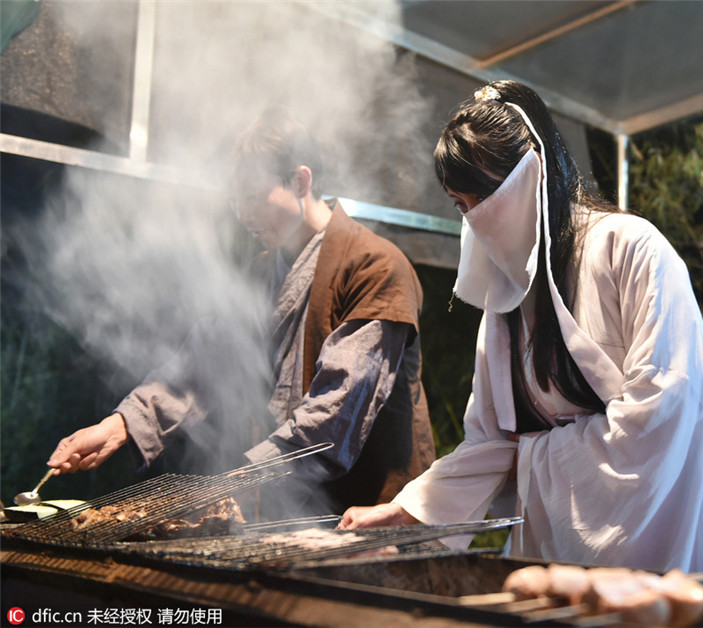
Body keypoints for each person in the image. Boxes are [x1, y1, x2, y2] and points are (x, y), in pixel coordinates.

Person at [339, 81, 703, 573]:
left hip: (671, 545)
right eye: (461, 205)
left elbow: (664, 410)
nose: (475, 220)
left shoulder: (631, 248)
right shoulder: (504, 300)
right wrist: (406, 510)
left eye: (485, 195)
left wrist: (532, 455)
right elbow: (492, 443)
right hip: (560, 561)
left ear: (533, 172)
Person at [47, 105, 436, 517]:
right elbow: (201, 365)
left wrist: (237, 484)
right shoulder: (260, 273)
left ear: (301, 180)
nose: (242, 213)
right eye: (235, 199)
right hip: (288, 516)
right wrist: (119, 427)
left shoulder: (375, 266)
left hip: (372, 515)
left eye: (253, 195)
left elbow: (336, 411)